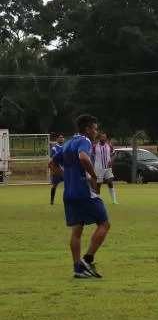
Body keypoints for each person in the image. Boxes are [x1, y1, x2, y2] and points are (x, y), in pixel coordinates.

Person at [48, 114, 110, 279]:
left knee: (77, 229)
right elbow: (83, 157)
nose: (96, 133)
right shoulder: (85, 141)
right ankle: (87, 259)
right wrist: (93, 175)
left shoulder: (68, 143)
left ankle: (78, 268)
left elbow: (51, 164)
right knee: (104, 224)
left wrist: (66, 177)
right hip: (83, 190)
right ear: (88, 129)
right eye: (95, 129)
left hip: (69, 193)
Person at [91, 132, 118, 204]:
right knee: (98, 184)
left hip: (108, 168)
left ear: (106, 138)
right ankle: (98, 200)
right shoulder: (95, 147)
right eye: (102, 137)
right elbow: (91, 156)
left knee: (110, 182)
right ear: (99, 138)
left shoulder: (109, 146)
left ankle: (114, 200)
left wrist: (111, 161)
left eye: (104, 137)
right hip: (98, 168)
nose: (103, 138)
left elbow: (114, 154)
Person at [50, 133, 65, 205]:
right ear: (57, 139)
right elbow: (52, 159)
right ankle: (52, 200)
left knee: (68, 185)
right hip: (57, 170)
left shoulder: (66, 147)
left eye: (62, 137)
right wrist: (52, 170)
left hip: (65, 170)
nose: (61, 139)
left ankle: (67, 200)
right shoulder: (54, 148)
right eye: (60, 137)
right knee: (54, 186)